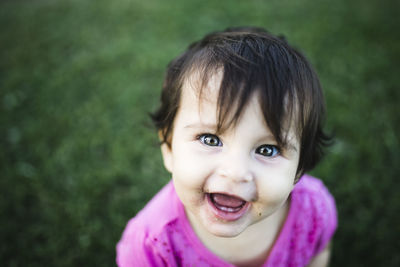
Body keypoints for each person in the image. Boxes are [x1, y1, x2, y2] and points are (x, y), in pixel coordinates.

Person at [116, 26, 338, 267]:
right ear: (168, 147)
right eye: (210, 139)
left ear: (299, 170)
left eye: (267, 150)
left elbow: (318, 254)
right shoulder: (151, 245)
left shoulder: (313, 212)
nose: (235, 172)